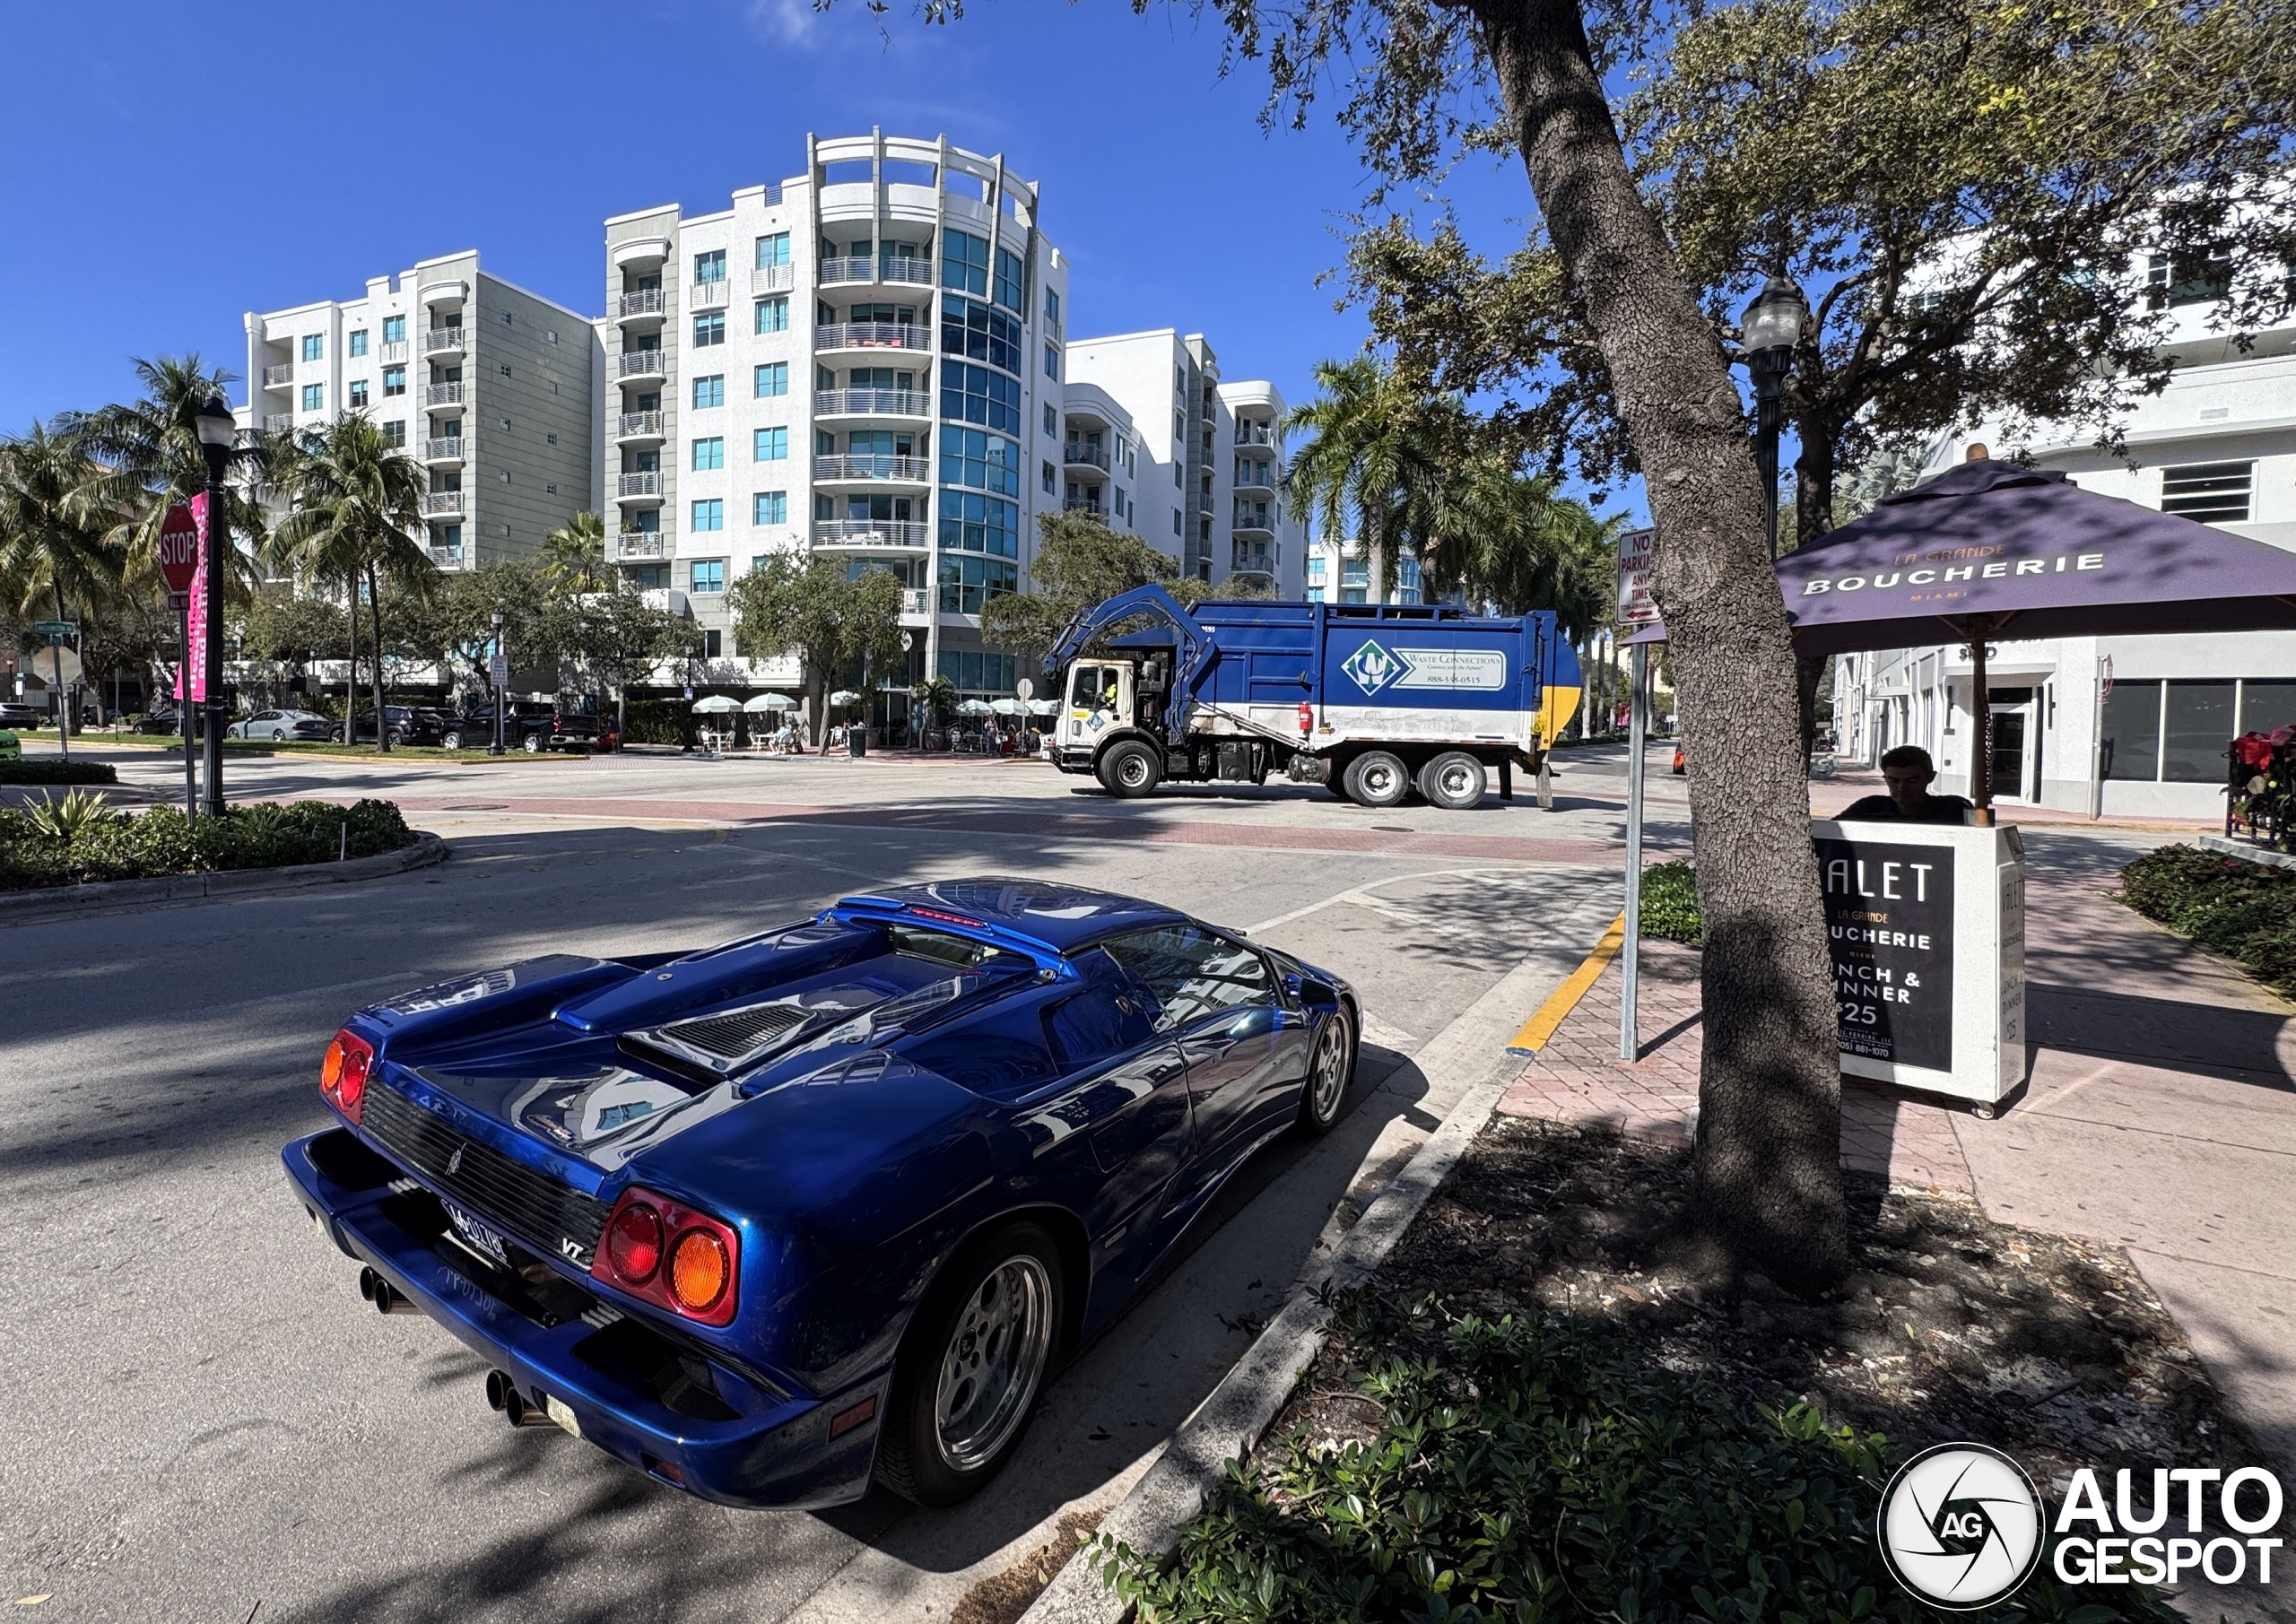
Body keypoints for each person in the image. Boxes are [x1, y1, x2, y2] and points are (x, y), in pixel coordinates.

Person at [1839, 744, 1974, 823]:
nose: (1902, 789)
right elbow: (1829, 833)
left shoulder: (1954, 810)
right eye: (1894, 781)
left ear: (1930, 778)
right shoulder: (1868, 808)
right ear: (1885, 779)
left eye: (1912, 781)